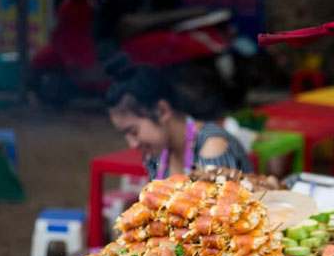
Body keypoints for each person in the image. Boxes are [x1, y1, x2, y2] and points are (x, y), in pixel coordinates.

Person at [105, 56, 253, 179]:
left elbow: (218, 211)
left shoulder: (212, 146)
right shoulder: (157, 154)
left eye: (134, 131)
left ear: (162, 110)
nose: (132, 144)